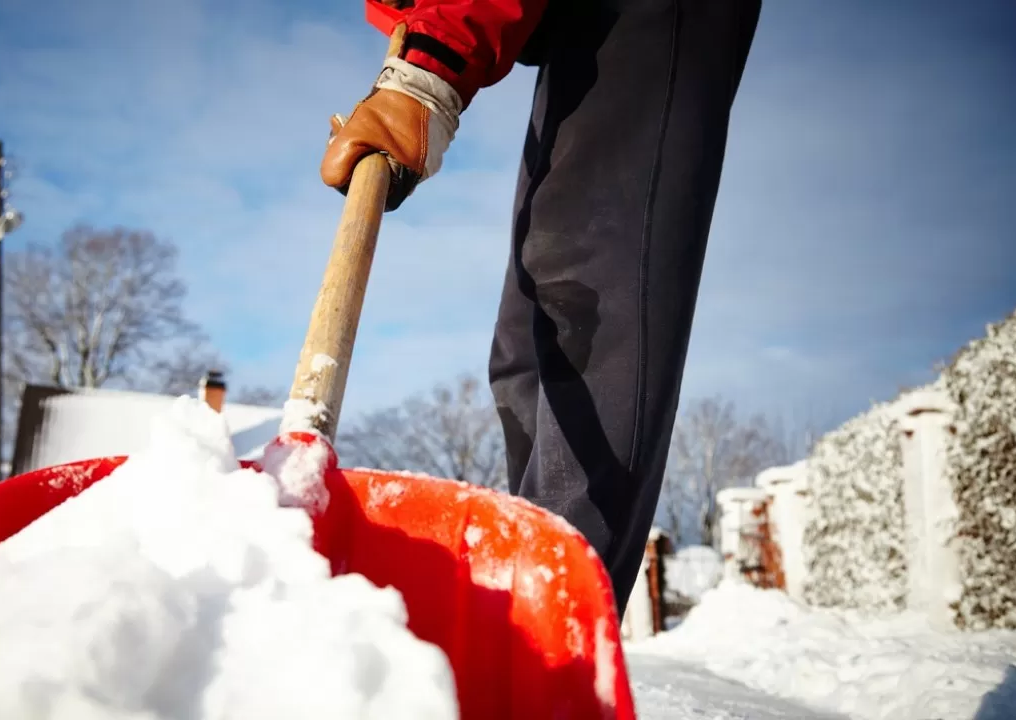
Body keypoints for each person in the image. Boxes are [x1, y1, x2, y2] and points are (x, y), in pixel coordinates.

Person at [321, 0, 761, 615]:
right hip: (567, 25)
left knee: (590, 309)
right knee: (524, 349)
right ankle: (529, 606)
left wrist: (428, 68)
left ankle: (550, 628)